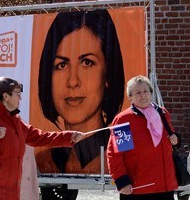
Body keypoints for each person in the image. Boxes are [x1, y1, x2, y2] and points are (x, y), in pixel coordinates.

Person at [106, 75, 180, 200]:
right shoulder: (124, 120)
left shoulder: (162, 113)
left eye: (145, 91)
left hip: (164, 181)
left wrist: (176, 139)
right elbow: (115, 153)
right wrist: (121, 180)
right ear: (130, 97)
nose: (143, 95)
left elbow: (171, 137)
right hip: (139, 185)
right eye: (137, 92)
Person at [37, 9, 125, 174]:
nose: (72, 82)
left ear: (107, 75)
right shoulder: (42, 161)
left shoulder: (118, 153)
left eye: (87, 63)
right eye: (62, 65)